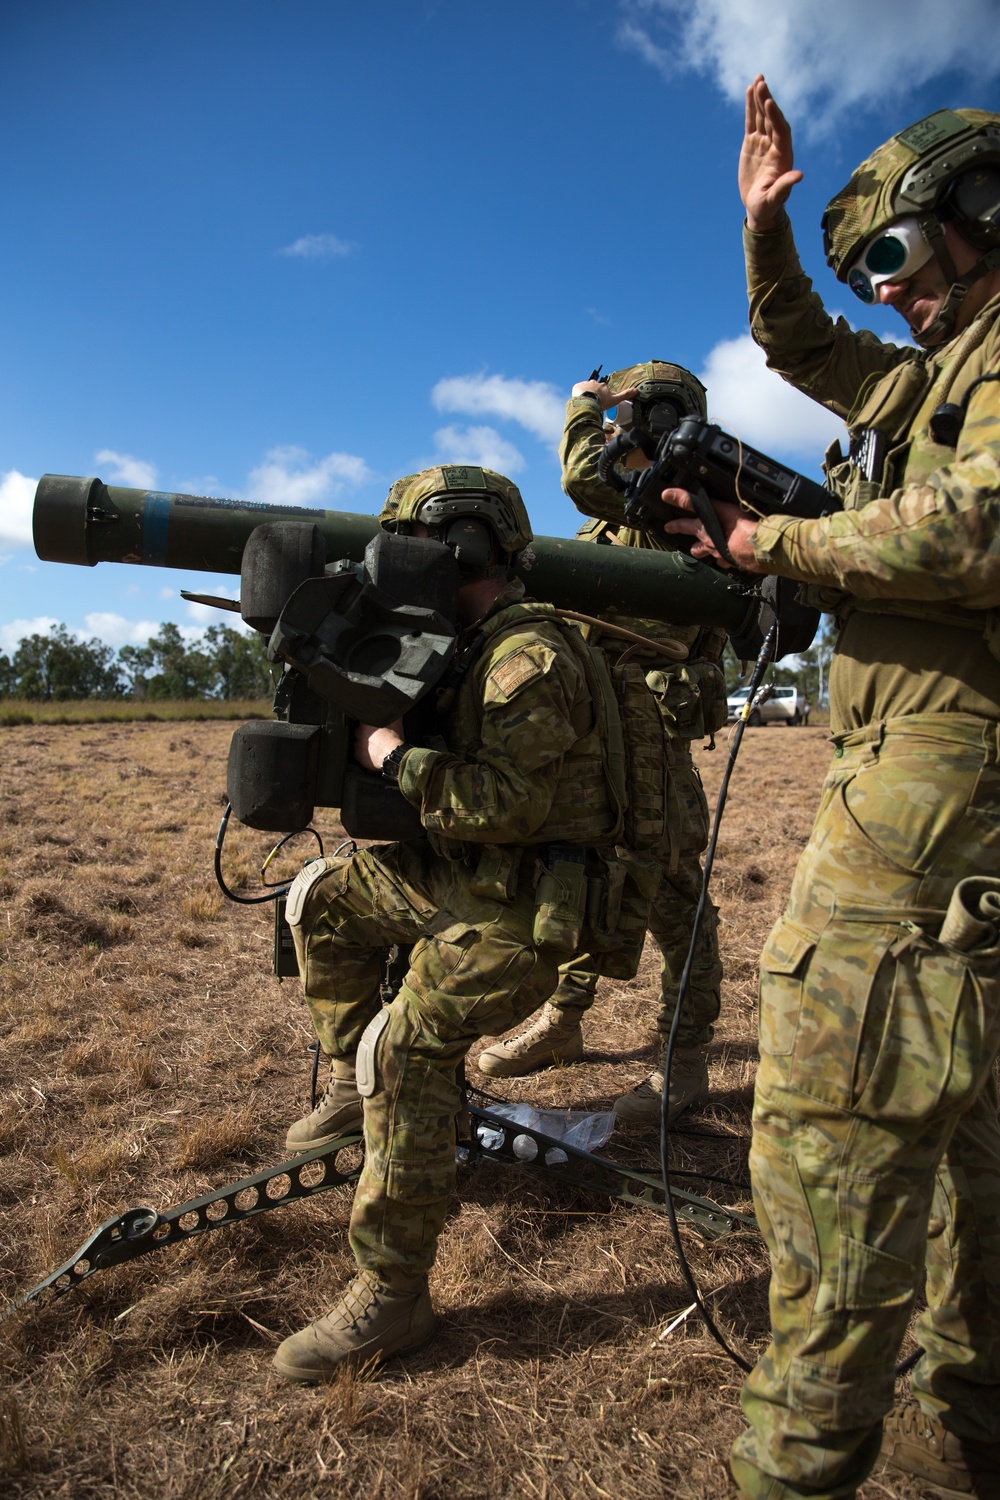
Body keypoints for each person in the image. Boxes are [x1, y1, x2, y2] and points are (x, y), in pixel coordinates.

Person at [665, 77, 1000, 1500]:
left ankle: (799, 1466)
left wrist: (775, 551)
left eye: (896, 255)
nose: (886, 290)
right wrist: (766, 230)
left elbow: (974, 530)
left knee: (830, 1128)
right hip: (914, 780)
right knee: (970, 1137)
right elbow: (796, 339)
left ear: (980, 221)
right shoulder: (928, 370)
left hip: (942, 790)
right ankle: (973, 1426)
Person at [273, 464, 657, 1381]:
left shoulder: (528, 658)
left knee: (407, 1048)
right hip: (469, 874)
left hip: (526, 909)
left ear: (462, 546)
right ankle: (363, 1096)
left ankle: (393, 1294)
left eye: (405, 543)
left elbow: (510, 805)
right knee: (318, 900)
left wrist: (397, 754)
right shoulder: (464, 638)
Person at [477, 363, 728, 1126]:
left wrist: (582, 407)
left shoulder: (684, 491)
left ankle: (682, 1062)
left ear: (660, 415)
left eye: (631, 413)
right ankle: (564, 1019)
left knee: (676, 898)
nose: (618, 426)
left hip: (652, 732)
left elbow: (584, 474)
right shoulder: (619, 516)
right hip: (597, 724)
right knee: (584, 873)